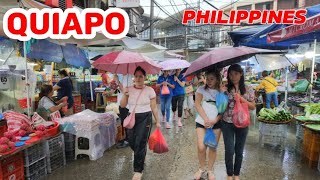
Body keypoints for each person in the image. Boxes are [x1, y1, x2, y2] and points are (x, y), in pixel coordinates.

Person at [120, 66, 161, 180]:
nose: (138, 79)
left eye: (141, 76)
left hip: (145, 117)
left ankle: (138, 170)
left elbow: (154, 106)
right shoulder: (128, 89)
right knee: (132, 141)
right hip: (131, 117)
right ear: (133, 77)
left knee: (140, 142)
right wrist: (125, 94)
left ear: (145, 77)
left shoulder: (150, 90)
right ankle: (141, 154)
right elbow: (123, 105)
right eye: (136, 76)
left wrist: (157, 121)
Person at [222, 64, 256, 180]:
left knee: (239, 150)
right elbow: (220, 106)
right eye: (231, 74)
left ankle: (236, 174)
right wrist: (221, 94)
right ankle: (229, 174)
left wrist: (242, 99)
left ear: (241, 74)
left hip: (242, 122)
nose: (233, 77)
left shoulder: (248, 88)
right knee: (229, 150)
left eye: (236, 74)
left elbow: (253, 106)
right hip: (227, 122)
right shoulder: (225, 88)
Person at [194, 71, 223, 180]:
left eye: (212, 79)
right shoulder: (201, 89)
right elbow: (197, 105)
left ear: (217, 79)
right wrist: (206, 119)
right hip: (202, 121)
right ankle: (201, 168)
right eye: (208, 78)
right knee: (201, 147)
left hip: (216, 123)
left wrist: (215, 120)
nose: (209, 81)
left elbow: (223, 109)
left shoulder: (221, 91)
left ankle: (210, 170)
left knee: (212, 147)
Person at [116, 74, 134, 149]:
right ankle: (126, 138)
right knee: (123, 122)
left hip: (126, 105)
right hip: (122, 103)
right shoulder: (124, 77)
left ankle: (128, 140)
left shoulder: (128, 78)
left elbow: (124, 91)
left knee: (126, 123)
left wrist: (117, 81)